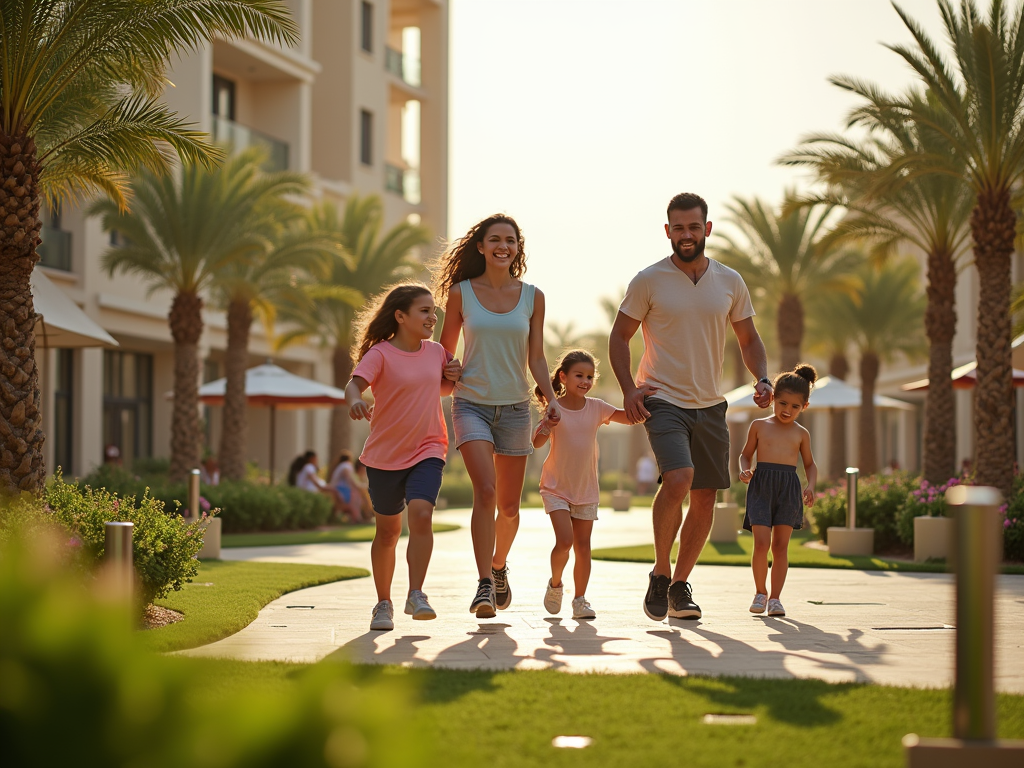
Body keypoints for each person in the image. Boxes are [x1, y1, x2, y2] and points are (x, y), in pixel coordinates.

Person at [609, 192, 772, 622]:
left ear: (707, 229)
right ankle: (660, 572)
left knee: (705, 497)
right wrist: (629, 388)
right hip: (662, 398)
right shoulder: (649, 280)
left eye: (693, 227)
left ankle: (680, 586)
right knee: (679, 478)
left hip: (710, 404)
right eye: (678, 228)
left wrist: (763, 378)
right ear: (668, 231)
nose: (686, 235)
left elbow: (749, 339)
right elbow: (619, 336)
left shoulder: (730, 281)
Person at [436, 213, 561, 619]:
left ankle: (498, 565)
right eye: (495, 239)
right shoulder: (461, 294)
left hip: (515, 408)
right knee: (485, 493)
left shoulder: (533, 297)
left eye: (510, 240)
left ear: (516, 248)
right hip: (470, 403)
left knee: (509, 507)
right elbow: (444, 353)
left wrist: (551, 396)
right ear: (481, 246)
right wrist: (448, 370)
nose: (502, 246)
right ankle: (484, 585)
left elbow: (537, 356)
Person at [345, 282, 462, 631]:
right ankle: (383, 603)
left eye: (434, 311)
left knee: (422, 514)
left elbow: (440, 387)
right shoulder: (380, 354)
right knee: (387, 533)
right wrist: (354, 400)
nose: (432, 316)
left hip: (428, 447)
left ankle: (416, 592)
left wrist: (453, 376)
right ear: (400, 316)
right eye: (424, 311)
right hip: (384, 456)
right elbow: (355, 384)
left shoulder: (437, 351)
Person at [533, 350, 639, 619]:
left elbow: (627, 417)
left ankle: (580, 600)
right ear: (563, 377)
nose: (585, 381)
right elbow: (536, 442)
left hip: (586, 489)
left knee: (583, 546)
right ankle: (555, 585)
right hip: (556, 486)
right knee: (565, 541)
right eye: (579, 375)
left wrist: (643, 397)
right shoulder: (554, 407)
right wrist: (546, 424)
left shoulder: (597, 407)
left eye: (589, 376)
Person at [738, 364, 818, 618]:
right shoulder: (759, 426)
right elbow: (745, 454)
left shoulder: (801, 434)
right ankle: (760, 592)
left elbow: (810, 465)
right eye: (782, 403)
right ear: (773, 399)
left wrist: (811, 486)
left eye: (795, 406)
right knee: (761, 544)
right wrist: (745, 469)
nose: (787, 410)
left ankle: (775, 599)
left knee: (780, 546)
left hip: (788, 489)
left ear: (804, 406)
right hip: (761, 486)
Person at [329, 450, 365, 522]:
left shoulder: (340, 466)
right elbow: (350, 478)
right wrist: (358, 485)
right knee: (356, 496)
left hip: (337, 488)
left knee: (356, 495)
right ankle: (358, 518)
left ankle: (358, 517)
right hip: (340, 489)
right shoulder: (346, 465)